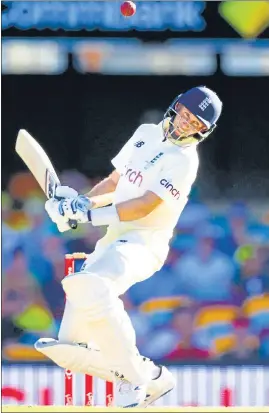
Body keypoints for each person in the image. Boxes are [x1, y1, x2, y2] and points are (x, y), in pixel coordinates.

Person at [35, 86, 222, 407]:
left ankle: (133, 379)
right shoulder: (147, 132)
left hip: (143, 244)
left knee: (90, 284)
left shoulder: (184, 161)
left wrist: (88, 213)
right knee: (68, 348)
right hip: (112, 240)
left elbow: (145, 206)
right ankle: (151, 378)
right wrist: (80, 201)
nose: (184, 125)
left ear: (203, 132)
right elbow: (115, 181)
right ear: (175, 108)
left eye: (195, 124)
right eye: (185, 116)